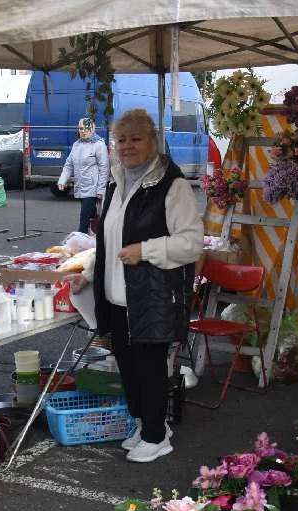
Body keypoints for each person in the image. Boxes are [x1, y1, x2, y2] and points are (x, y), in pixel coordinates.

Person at [68, 109, 203, 463]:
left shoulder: (172, 186)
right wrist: (90, 269)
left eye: (136, 139)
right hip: (115, 295)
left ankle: (158, 436)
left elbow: (191, 243)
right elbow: (108, 240)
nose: (127, 146)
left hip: (151, 295)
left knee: (150, 367)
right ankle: (146, 425)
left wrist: (146, 251)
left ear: (153, 142)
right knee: (128, 366)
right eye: (121, 140)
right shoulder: (116, 181)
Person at [57, 118, 109, 234]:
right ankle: (96, 240)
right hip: (80, 186)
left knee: (84, 220)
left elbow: (104, 168)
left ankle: (80, 240)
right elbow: (69, 164)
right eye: (81, 128)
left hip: (93, 189)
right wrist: (62, 180)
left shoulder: (99, 145)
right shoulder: (76, 145)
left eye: (87, 128)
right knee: (92, 217)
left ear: (92, 129)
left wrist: (101, 190)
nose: (83, 131)